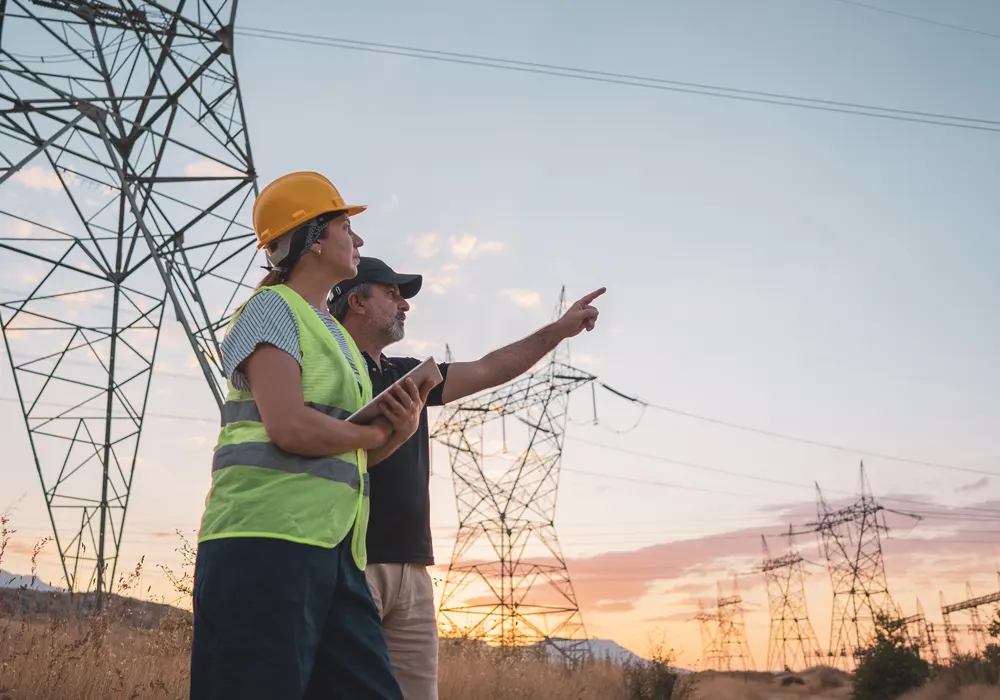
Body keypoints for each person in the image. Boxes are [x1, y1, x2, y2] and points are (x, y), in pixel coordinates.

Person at [190, 174, 437, 700]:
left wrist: (400, 429)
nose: (360, 240)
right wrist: (372, 435)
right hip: (266, 543)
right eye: (348, 226)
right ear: (315, 238)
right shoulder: (272, 309)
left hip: (335, 552)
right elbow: (289, 426)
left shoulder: (336, 337)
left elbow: (354, 450)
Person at [328, 256, 604, 700]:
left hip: (413, 570)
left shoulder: (407, 375)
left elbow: (490, 368)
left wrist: (559, 329)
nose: (405, 304)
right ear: (356, 301)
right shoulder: (329, 370)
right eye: (392, 292)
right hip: (349, 561)